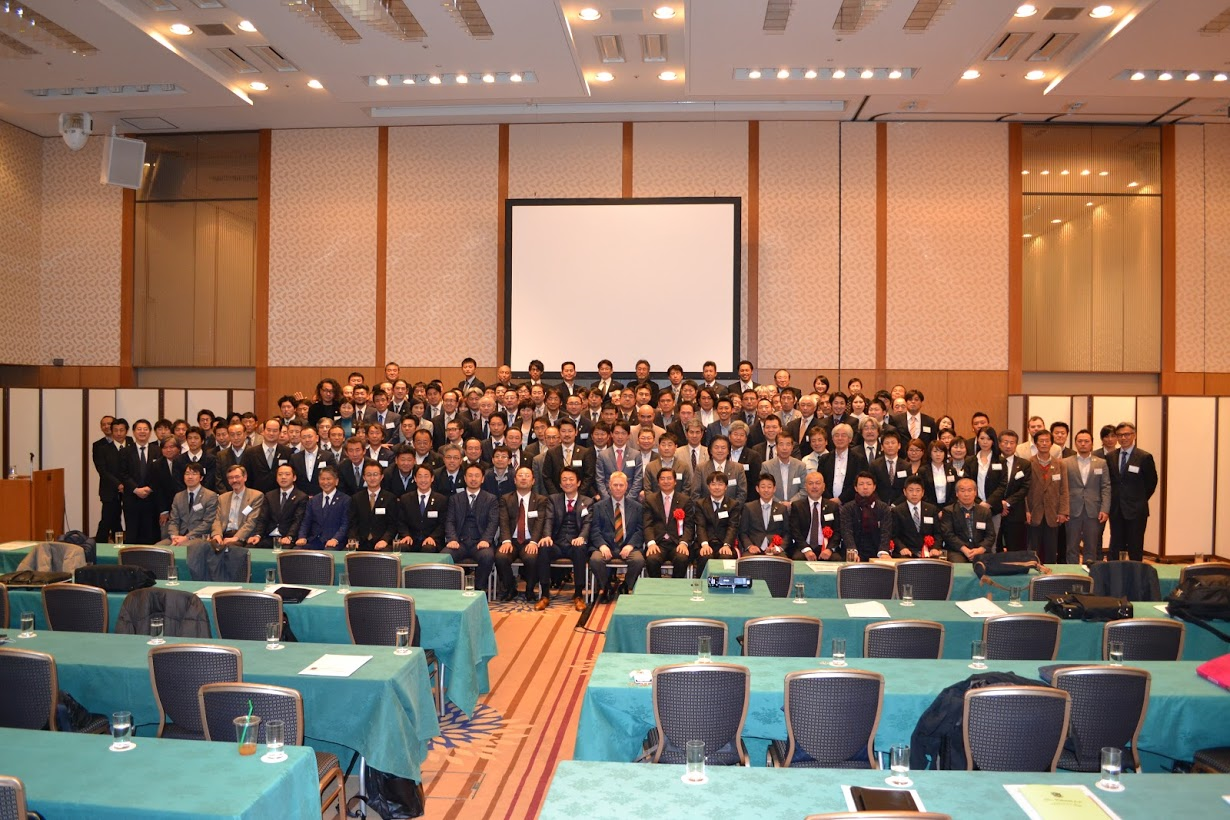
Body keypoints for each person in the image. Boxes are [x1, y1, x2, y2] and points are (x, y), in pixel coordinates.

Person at [496, 466, 552, 605]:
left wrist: (534, 542)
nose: (523, 478)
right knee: (501, 557)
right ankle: (510, 588)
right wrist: (506, 541)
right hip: (512, 540)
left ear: (533, 481)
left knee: (532, 558)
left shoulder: (541, 500)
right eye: (520, 475)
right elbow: (503, 521)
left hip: (529, 540)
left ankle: (530, 589)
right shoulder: (505, 499)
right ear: (515, 480)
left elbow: (540, 522)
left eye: (527, 476)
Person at [541, 467, 595, 611]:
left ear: (578, 483)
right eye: (564, 480)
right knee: (544, 547)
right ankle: (545, 594)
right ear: (560, 484)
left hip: (575, 543)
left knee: (580, 548)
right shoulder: (553, 499)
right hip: (557, 543)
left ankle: (578, 594)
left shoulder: (587, 501)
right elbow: (548, 519)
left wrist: (581, 537)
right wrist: (547, 536)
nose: (567, 482)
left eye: (571, 479)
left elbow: (587, 523)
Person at [588, 471, 645, 600]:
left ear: (626, 486)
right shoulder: (598, 507)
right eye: (615, 485)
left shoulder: (637, 507)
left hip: (628, 545)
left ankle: (626, 585)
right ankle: (606, 587)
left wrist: (630, 545)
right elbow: (594, 529)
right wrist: (602, 545)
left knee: (638, 560)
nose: (618, 488)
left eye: (621, 485)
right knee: (595, 560)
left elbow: (640, 530)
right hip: (606, 546)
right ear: (609, 486)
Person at [1108, 421, 1158, 561]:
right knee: (1116, 546)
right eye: (1120, 435)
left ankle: (1136, 573)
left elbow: (1151, 482)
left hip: (1136, 511)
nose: (1123, 438)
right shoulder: (1111, 457)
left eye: (1127, 434)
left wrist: (1138, 499)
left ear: (1134, 435)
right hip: (1116, 509)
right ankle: (1114, 572)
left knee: (1135, 547)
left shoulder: (1144, 457)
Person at [445, 464, 498, 593]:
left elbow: (493, 522)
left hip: (480, 542)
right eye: (470, 475)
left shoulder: (491, 499)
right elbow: (449, 521)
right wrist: (452, 539)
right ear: (465, 478)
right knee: (444, 557)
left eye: (477, 476)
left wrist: (486, 539)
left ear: (482, 479)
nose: (473, 479)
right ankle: (452, 590)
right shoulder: (455, 499)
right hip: (460, 542)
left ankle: (479, 589)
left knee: (487, 556)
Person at [1064, 429, 1111, 563]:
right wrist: (1063, 510)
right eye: (1080, 441)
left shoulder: (1101, 463)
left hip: (1094, 511)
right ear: (1075, 443)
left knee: (1091, 547)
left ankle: (1089, 573)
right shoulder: (1066, 462)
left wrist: (1105, 509)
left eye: (1086, 441)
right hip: (1072, 510)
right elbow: (1062, 488)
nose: (1083, 444)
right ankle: (1072, 573)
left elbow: (1106, 487)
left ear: (1092, 443)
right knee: (1071, 547)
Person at [642, 466, 695, 579]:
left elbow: (689, 525)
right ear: (658, 482)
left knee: (682, 558)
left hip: (677, 542)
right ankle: (657, 588)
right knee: (652, 559)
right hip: (658, 543)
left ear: (675, 482)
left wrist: (684, 542)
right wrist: (651, 543)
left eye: (669, 478)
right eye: (662, 479)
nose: (666, 481)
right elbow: (647, 524)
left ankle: (675, 587)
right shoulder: (650, 500)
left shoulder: (685, 500)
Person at [1024, 430, 1069, 564]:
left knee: (1051, 550)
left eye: (1047, 441)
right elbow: (1024, 490)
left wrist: (1063, 512)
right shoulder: (1028, 463)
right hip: (1034, 512)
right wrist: (1026, 510)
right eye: (1041, 441)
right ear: (1036, 443)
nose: (1044, 443)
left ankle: (1051, 574)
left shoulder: (1060, 464)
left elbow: (1064, 490)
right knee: (1033, 550)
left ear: (1051, 444)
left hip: (1053, 513)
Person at [120, 419, 160, 544]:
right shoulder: (125, 451)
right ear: (133, 432)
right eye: (139, 429)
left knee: (150, 533)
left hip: (151, 498)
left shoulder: (157, 450)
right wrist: (136, 489)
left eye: (145, 429)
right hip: (132, 498)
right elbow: (123, 473)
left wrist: (150, 488)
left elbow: (160, 473)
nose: (142, 432)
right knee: (132, 533)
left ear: (150, 432)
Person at [693, 470, 741, 574]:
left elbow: (732, 527)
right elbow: (700, 526)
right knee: (705, 556)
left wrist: (727, 545)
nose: (717, 487)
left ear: (726, 487)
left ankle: (724, 584)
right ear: (708, 486)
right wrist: (704, 544)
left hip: (724, 543)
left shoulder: (733, 505)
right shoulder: (700, 504)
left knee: (726, 557)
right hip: (706, 542)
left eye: (720, 484)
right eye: (713, 484)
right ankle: (702, 583)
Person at [160, 462, 218, 546]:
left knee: (183, 547)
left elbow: (208, 522)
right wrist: (174, 536)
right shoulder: (178, 496)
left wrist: (187, 537)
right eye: (187, 474)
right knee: (156, 548)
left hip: (198, 537)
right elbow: (173, 520)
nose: (190, 477)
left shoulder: (210, 496)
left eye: (194, 474)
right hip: (178, 536)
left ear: (201, 478)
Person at [251, 464, 307, 550]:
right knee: (251, 546)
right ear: (276, 478)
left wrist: (290, 536)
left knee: (286, 549)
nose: (283, 477)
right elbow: (263, 518)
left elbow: (298, 520)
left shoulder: (301, 497)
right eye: (280, 474)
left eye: (287, 474)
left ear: (294, 478)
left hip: (287, 537)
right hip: (269, 536)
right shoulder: (269, 495)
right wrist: (257, 535)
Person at [788, 471, 842, 561]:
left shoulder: (832, 506)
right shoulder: (797, 506)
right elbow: (795, 531)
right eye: (810, 483)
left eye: (817, 483)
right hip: (804, 547)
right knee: (798, 558)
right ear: (806, 486)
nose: (814, 486)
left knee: (836, 559)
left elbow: (837, 531)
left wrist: (829, 549)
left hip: (826, 547)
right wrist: (806, 550)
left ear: (823, 487)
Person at [839, 472, 892, 561]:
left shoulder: (883, 508)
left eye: (868, 484)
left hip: (877, 551)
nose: (865, 487)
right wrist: (853, 551)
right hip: (854, 550)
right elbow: (847, 531)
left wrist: (883, 552)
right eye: (861, 484)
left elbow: (886, 531)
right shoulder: (847, 508)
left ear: (874, 487)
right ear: (856, 488)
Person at [941, 477, 996, 562]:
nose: (966, 494)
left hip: (980, 550)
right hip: (958, 551)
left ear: (975, 493)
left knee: (988, 565)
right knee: (959, 566)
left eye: (970, 490)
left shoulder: (985, 512)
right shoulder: (949, 511)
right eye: (962, 491)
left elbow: (991, 535)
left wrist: (980, 550)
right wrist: (964, 549)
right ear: (957, 493)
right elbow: (948, 534)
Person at [395, 464, 447, 553]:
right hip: (411, 539)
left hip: (432, 540)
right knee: (403, 547)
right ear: (415, 479)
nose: (423, 480)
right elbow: (401, 522)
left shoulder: (441, 499)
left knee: (428, 548)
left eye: (426, 476)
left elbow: (442, 524)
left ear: (432, 478)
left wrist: (433, 537)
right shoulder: (405, 498)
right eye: (420, 476)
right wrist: (406, 535)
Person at [211, 465, 265, 550]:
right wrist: (217, 535)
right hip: (224, 535)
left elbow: (251, 521)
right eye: (230, 478)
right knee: (206, 547)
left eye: (237, 477)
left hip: (243, 536)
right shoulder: (222, 498)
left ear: (245, 477)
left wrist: (236, 538)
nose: (234, 480)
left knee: (230, 548)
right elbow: (217, 520)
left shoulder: (256, 496)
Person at [296, 466, 349, 550]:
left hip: (335, 542)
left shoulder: (345, 500)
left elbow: (345, 524)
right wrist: (302, 537)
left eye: (328, 479)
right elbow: (306, 522)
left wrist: (335, 539)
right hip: (314, 540)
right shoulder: (313, 500)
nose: (325, 482)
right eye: (322, 479)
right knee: (297, 550)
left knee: (329, 552)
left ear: (336, 481)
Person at [348, 460, 396, 551]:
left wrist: (385, 540)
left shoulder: (390, 498)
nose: (372, 478)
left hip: (382, 543)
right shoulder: (356, 498)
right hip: (360, 542)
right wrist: (354, 540)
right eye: (369, 475)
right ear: (364, 477)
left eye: (375, 474)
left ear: (381, 477)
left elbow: (392, 525)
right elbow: (353, 524)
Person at [739, 473, 791, 556]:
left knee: (783, 560)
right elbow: (743, 532)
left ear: (774, 489)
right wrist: (750, 546)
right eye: (763, 487)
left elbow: (787, 533)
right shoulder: (748, 507)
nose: (766, 490)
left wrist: (780, 548)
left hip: (775, 549)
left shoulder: (782, 509)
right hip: (754, 548)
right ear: (757, 489)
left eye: (769, 487)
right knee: (747, 560)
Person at [818, 422, 868, 505]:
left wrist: (841, 499)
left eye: (843, 435)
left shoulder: (859, 459)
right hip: (827, 503)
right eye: (836, 435)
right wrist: (830, 500)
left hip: (851, 504)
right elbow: (820, 481)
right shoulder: (824, 459)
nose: (840, 438)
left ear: (850, 439)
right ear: (832, 439)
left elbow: (859, 482)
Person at [890, 476, 939, 558]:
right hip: (906, 551)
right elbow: (893, 535)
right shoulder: (897, 511)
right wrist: (902, 548)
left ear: (923, 492)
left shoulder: (932, 509)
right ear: (904, 492)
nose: (914, 494)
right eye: (911, 490)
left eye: (918, 490)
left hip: (928, 551)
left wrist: (935, 548)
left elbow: (938, 533)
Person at [240, 418, 293, 494]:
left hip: (280, 496)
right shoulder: (250, 453)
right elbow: (245, 477)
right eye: (268, 430)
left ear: (279, 432)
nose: (271, 433)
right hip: (256, 495)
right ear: (263, 431)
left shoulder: (288, 452)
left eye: (275, 431)